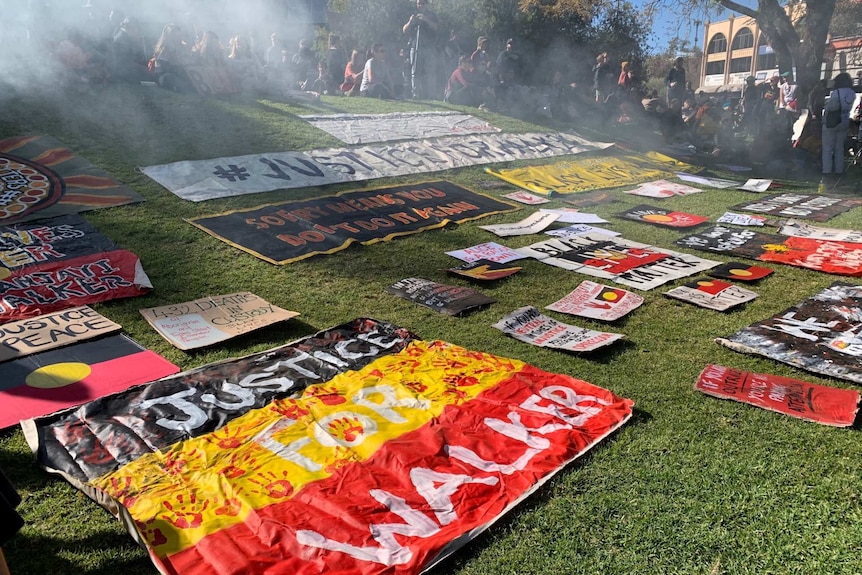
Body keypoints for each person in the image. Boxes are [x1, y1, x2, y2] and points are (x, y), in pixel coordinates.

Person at [402, 0, 440, 99]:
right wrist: (410, 22)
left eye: (422, 3)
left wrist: (426, 19)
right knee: (415, 72)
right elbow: (404, 30)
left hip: (428, 48)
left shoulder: (431, 15)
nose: (420, 5)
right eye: (419, 3)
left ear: (426, 4)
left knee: (430, 72)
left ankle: (431, 95)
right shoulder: (413, 14)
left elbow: (436, 27)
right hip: (415, 47)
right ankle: (416, 94)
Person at [822, 71, 856, 180]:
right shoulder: (852, 92)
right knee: (839, 148)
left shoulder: (836, 92)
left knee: (827, 148)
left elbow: (831, 107)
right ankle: (839, 171)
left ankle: (827, 171)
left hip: (832, 121)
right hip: (845, 119)